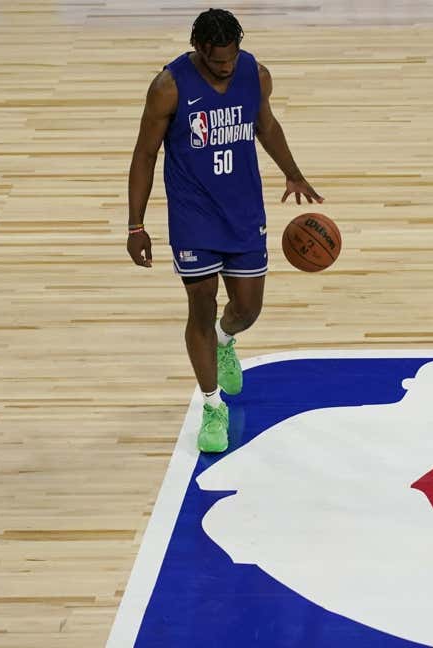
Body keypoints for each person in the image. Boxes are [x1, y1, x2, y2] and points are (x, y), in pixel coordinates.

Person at [196, 357, 433, 647]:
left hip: (302, 523)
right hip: (297, 522)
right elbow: (220, 483)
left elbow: (216, 482)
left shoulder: (318, 421)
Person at [125, 8, 323, 453]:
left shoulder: (256, 74)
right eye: (217, 62)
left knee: (247, 309)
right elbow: (144, 155)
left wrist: (293, 172)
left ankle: (224, 340)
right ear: (199, 50)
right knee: (200, 304)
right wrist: (136, 224)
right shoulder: (169, 87)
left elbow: (265, 126)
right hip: (194, 217)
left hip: (242, 211)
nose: (226, 68)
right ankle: (213, 407)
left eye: (232, 59)